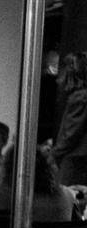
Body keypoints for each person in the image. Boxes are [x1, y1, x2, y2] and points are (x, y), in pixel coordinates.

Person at [52, 51, 87, 186]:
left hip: (74, 158)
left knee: (70, 199)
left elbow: (71, 133)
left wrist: (54, 153)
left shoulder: (79, 97)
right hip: (81, 157)